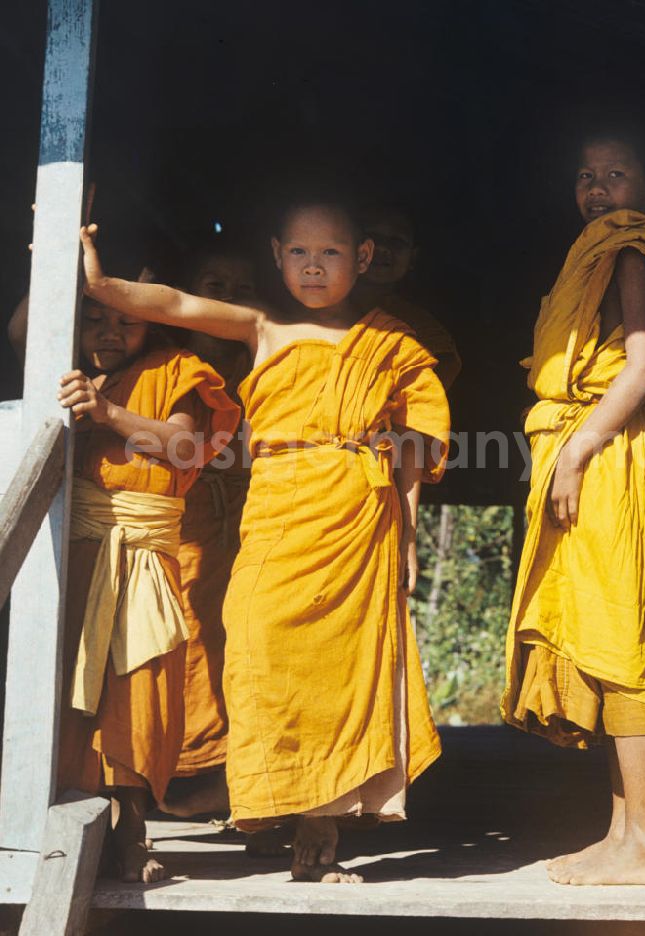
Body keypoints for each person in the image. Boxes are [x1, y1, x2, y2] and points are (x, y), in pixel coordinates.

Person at [79, 196, 450, 883]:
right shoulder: (263, 324)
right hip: (279, 504)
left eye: (332, 253)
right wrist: (102, 283)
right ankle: (275, 796)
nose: (315, 267)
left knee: (340, 666)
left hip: (357, 512)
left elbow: (412, 448)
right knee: (256, 642)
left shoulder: (389, 343)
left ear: (362, 259)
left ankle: (322, 823)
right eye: (300, 253)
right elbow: (174, 305)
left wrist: (408, 536)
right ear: (277, 257)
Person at [500, 125, 645, 885]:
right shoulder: (600, 251)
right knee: (606, 637)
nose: (597, 189)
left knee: (624, 645)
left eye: (615, 174)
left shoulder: (632, 248)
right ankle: (625, 834)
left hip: (614, 453)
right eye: (586, 175)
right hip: (603, 447)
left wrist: (581, 448)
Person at [53, 281, 239, 883]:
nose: (109, 333)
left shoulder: (178, 370)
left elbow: (184, 447)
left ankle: (134, 833)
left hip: (143, 555)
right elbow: (18, 334)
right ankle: (71, 838)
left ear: (149, 321)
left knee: (141, 693)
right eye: (94, 319)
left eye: (124, 321)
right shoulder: (63, 369)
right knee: (73, 703)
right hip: (77, 554)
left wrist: (105, 414)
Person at [163, 239, 258, 819]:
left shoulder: (269, 362)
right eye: (212, 285)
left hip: (254, 527)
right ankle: (187, 774)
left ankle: (242, 777)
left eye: (240, 290)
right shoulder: (161, 362)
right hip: (183, 530)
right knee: (188, 643)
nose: (225, 299)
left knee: (247, 646)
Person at [352, 205, 462, 389]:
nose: (382, 247)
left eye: (397, 242)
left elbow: (435, 384)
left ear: (413, 257)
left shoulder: (421, 326)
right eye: (372, 237)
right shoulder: (316, 307)